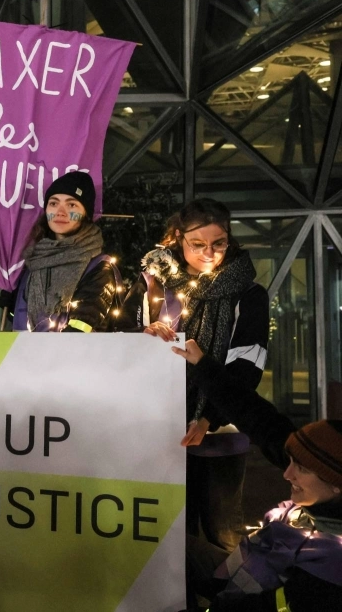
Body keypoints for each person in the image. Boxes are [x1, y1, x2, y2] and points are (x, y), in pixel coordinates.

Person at [116, 198, 268, 609]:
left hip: (220, 437)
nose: (208, 253)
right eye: (197, 242)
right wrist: (142, 333)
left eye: (218, 243)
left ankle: (237, 603)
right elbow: (122, 340)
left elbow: (247, 365)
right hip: (162, 434)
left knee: (222, 536)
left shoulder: (248, 294)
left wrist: (211, 418)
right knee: (169, 536)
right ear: (177, 239)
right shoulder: (155, 285)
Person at [168, 344, 342, 610]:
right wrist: (203, 364)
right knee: (166, 541)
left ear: (336, 485)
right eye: (290, 461)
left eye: (301, 469)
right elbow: (254, 414)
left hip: (247, 593)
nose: (287, 473)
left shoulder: (328, 569)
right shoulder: (320, 464)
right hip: (240, 570)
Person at [7, 171, 119, 333]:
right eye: (53, 203)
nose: (60, 211)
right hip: (26, 355)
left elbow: (83, 326)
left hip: (72, 357)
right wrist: (11, 300)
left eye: (71, 205)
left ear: (85, 213)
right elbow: (18, 318)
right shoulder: (33, 260)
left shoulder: (99, 267)